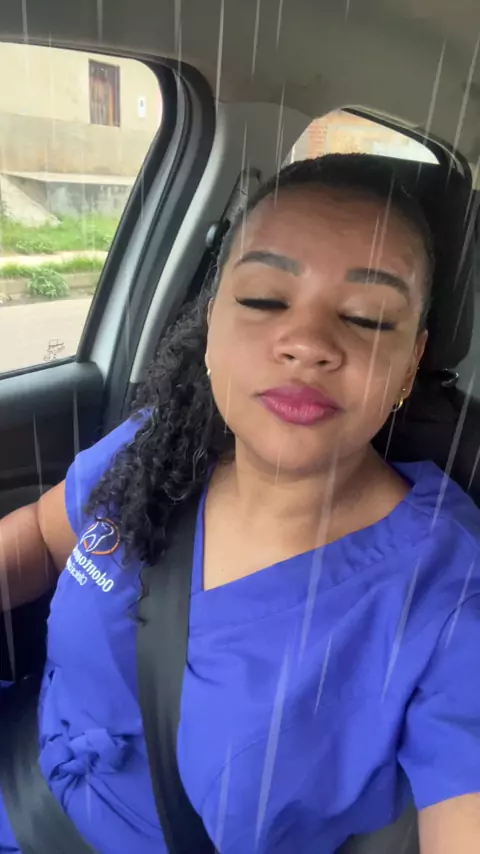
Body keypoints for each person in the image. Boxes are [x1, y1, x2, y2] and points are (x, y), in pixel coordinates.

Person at [0, 153, 479, 854]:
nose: (307, 344)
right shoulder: (160, 443)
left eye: (367, 316)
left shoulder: (451, 592)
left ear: (412, 362)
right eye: (263, 300)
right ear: (212, 323)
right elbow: (41, 541)